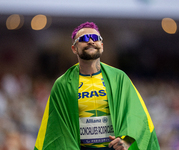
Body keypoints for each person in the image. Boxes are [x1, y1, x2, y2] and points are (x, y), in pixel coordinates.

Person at [34, 22, 160, 150]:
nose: (90, 41)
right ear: (74, 48)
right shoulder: (63, 84)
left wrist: (126, 142)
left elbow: (136, 117)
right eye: (83, 39)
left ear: (102, 46)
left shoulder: (119, 78)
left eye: (95, 38)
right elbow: (56, 129)